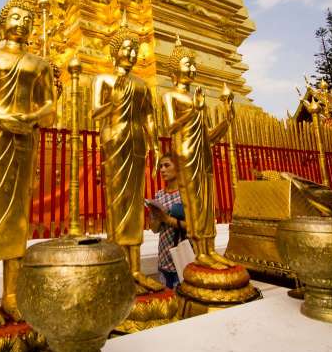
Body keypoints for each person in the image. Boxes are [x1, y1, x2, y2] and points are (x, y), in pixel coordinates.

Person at [0, 0, 55, 328]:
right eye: (16, 16)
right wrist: (1, 116)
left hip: (24, 135)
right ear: (4, 20)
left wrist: (29, 117)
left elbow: (49, 104)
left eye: (26, 18)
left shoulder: (39, 64)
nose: (22, 22)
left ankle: (12, 295)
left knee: (18, 215)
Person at [92, 18, 162, 292]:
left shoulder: (142, 84)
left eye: (135, 49)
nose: (132, 54)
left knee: (134, 207)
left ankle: (135, 269)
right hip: (114, 140)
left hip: (135, 143)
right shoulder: (104, 79)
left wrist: (155, 145)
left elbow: (148, 117)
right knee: (116, 204)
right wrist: (114, 100)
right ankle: (119, 267)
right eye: (126, 48)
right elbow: (95, 112)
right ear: (114, 51)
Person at [162, 37, 236, 269]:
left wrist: (228, 116)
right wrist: (194, 109)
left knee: (207, 203)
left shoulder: (197, 99)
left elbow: (209, 136)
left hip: (203, 153)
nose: (192, 69)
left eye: (193, 64)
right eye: (187, 64)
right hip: (185, 154)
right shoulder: (170, 96)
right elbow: (171, 126)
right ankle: (199, 252)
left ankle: (210, 249)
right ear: (175, 69)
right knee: (193, 204)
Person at [148, 154, 187, 288]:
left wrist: (167, 219)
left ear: (178, 167)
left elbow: (193, 227)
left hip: (182, 256)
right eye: (160, 166)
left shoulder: (186, 194)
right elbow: (154, 229)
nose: (162, 170)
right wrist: (155, 215)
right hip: (164, 256)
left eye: (167, 165)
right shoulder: (159, 195)